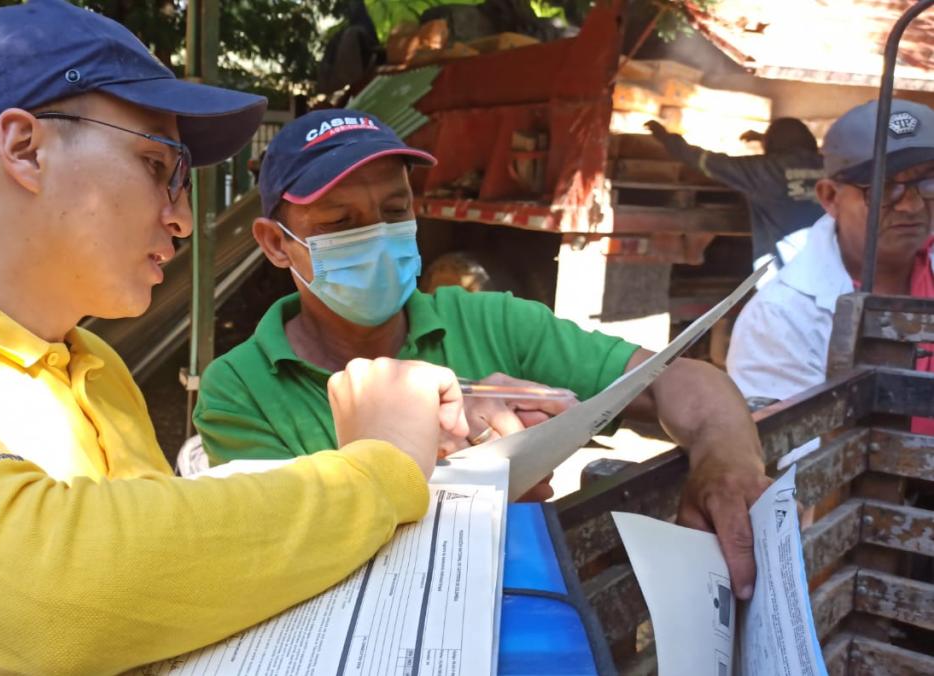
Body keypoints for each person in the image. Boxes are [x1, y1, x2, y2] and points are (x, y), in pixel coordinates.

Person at [0, 3, 476, 674]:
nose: (183, 218)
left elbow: (146, 576)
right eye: (160, 167)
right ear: (25, 148)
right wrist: (377, 471)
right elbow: (40, 596)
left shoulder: (95, 368)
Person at [193, 108, 772, 597]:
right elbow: (285, 561)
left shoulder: (492, 319)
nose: (376, 238)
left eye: (395, 213)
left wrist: (726, 457)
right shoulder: (238, 388)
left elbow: (680, 381)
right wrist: (458, 475)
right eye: (342, 223)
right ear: (275, 243)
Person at [727, 99, 934, 449]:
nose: (912, 206)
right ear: (829, 197)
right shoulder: (780, 317)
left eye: (928, 184)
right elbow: (793, 465)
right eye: (884, 189)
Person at [645, 117, 825, 281]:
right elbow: (793, 154)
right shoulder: (832, 168)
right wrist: (763, 138)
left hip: (785, 278)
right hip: (831, 270)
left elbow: (704, 161)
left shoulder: (763, 170)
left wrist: (665, 137)